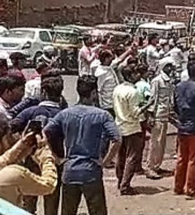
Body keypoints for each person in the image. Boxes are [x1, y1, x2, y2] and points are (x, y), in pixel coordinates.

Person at [44, 75, 121, 215]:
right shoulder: (102, 115)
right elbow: (117, 139)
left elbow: (44, 134)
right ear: (93, 93)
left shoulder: (64, 114)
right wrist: (104, 162)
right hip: (91, 171)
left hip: (70, 170)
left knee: (68, 211)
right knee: (97, 211)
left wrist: (56, 158)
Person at [10, 75, 65, 215]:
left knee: (28, 201)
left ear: (44, 93)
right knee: (52, 199)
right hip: (54, 161)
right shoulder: (63, 114)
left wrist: (22, 143)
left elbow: (10, 128)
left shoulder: (30, 111)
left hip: (31, 161)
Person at [173, 61, 195, 197]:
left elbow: (175, 106)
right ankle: (191, 189)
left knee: (182, 158)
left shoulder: (179, 87)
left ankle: (178, 188)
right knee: (194, 159)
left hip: (182, 126)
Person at [0, 124, 57, 210]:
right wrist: (45, 155)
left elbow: (3, 160)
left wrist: (20, 146)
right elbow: (48, 185)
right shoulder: (13, 174)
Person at [112, 64, 148, 195]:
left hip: (119, 125)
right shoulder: (133, 92)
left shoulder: (117, 89)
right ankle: (125, 185)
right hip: (132, 127)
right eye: (135, 73)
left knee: (120, 156)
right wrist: (146, 106)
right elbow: (135, 112)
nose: (138, 75)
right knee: (132, 157)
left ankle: (120, 181)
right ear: (130, 75)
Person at [146, 58, 175, 180]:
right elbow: (153, 98)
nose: (171, 68)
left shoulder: (169, 81)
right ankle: (150, 167)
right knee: (155, 143)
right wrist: (151, 115)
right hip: (157, 115)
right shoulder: (157, 81)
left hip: (165, 114)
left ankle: (157, 165)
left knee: (161, 143)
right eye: (169, 66)